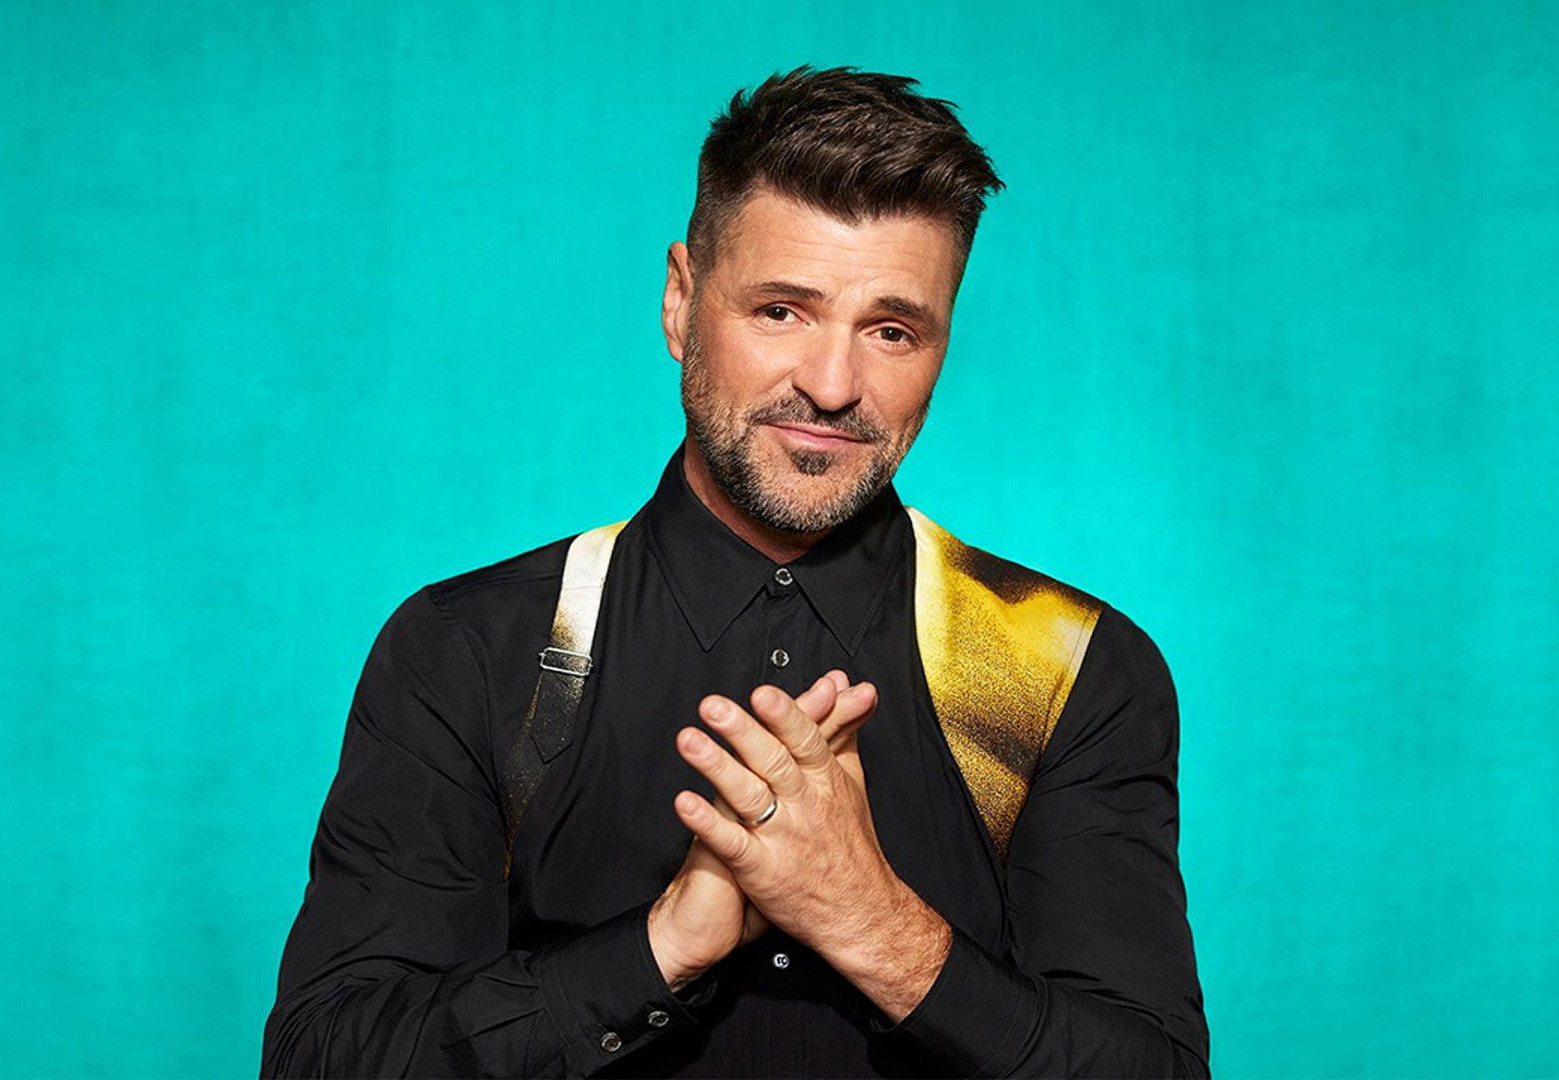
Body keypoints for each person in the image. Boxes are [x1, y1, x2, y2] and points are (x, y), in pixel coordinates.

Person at [262, 64, 1208, 1079]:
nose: (833, 386)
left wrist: (871, 923)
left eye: (892, 331)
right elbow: (322, 1062)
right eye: (781, 311)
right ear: (680, 303)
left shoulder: (1071, 669)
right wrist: (663, 947)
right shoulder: (469, 650)